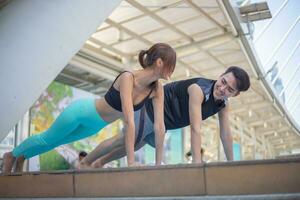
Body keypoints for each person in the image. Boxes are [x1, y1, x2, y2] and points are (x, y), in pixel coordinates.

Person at [2, 43, 176, 173]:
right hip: (81, 113)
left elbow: (159, 127)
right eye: (171, 65)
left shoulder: (157, 88)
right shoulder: (128, 78)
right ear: (159, 62)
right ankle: (11, 155)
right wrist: (131, 162)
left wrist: (159, 164)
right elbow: (130, 121)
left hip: (95, 125)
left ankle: (22, 157)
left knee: (57, 141)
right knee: (48, 138)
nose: (172, 71)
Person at [78, 66, 250, 168]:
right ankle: (85, 163)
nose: (222, 89)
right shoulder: (198, 89)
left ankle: (98, 164)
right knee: (122, 140)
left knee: (135, 145)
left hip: (163, 123)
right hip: (151, 109)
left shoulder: (223, 104)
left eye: (230, 90)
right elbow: (196, 128)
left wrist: (231, 164)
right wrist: (198, 165)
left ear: (235, 95)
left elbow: (226, 134)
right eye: (223, 81)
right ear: (220, 76)